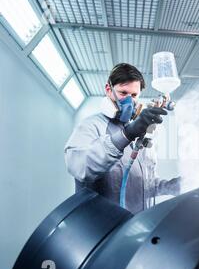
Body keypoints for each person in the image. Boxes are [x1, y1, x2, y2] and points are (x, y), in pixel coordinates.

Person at [64, 63, 181, 214]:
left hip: (134, 227)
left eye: (133, 95)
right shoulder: (90, 126)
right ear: (108, 89)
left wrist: (172, 186)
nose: (128, 101)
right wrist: (126, 135)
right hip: (99, 229)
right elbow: (82, 168)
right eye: (123, 93)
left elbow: (143, 185)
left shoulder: (140, 134)